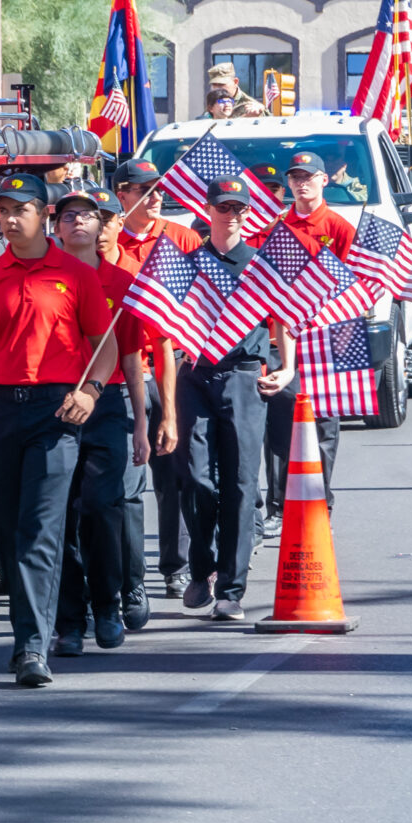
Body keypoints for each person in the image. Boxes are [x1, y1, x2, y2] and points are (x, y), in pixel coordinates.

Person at [0, 172, 120, 687]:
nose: (10, 218)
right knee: (8, 535)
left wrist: (91, 392)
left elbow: (104, 345)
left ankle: (31, 646)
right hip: (2, 412)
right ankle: (32, 632)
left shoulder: (75, 274)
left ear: (44, 215)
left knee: (40, 531)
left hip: (56, 414)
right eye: (4, 210)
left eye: (21, 209)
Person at [175, 176, 296, 622]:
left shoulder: (261, 266)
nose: (232, 216)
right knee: (195, 477)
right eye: (224, 208)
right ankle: (201, 568)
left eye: (239, 209)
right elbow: (169, 318)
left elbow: (285, 319)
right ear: (208, 211)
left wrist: (287, 366)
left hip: (245, 377)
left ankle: (231, 588)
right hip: (197, 376)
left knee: (242, 485)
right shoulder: (188, 263)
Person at [48, 186, 156, 655]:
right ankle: (71, 620)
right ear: (56, 227)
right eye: (68, 215)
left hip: (108, 406)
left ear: (102, 227)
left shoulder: (122, 282)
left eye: (87, 216)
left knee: (100, 509)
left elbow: (132, 358)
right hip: (53, 407)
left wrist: (142, 422)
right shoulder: (42, 279)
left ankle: (108, 607)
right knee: (62, 517)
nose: (78, 223)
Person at [86, 164, 186, 618]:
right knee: (82, 502)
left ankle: (134, 586)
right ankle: (87, 594)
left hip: (131, 390)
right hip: (72, 398)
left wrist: (163, 416)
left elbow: (155, 347)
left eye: (108, 221)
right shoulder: (66, 272)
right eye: (95, 220)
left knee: (127, 495)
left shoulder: (133, 277)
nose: (102, 229)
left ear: (117, 222)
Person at [265, 152, 351, 525]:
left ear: (324, 180)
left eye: (309, 177)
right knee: (280, 428)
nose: (302, 183)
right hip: (279, 339)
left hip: (325, 341)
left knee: (323, 428)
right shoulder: (277, 226)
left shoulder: (340, 228)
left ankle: (320, 500)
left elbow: (352, 290)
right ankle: (279, 506)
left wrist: (343, 344)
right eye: (295, 177)